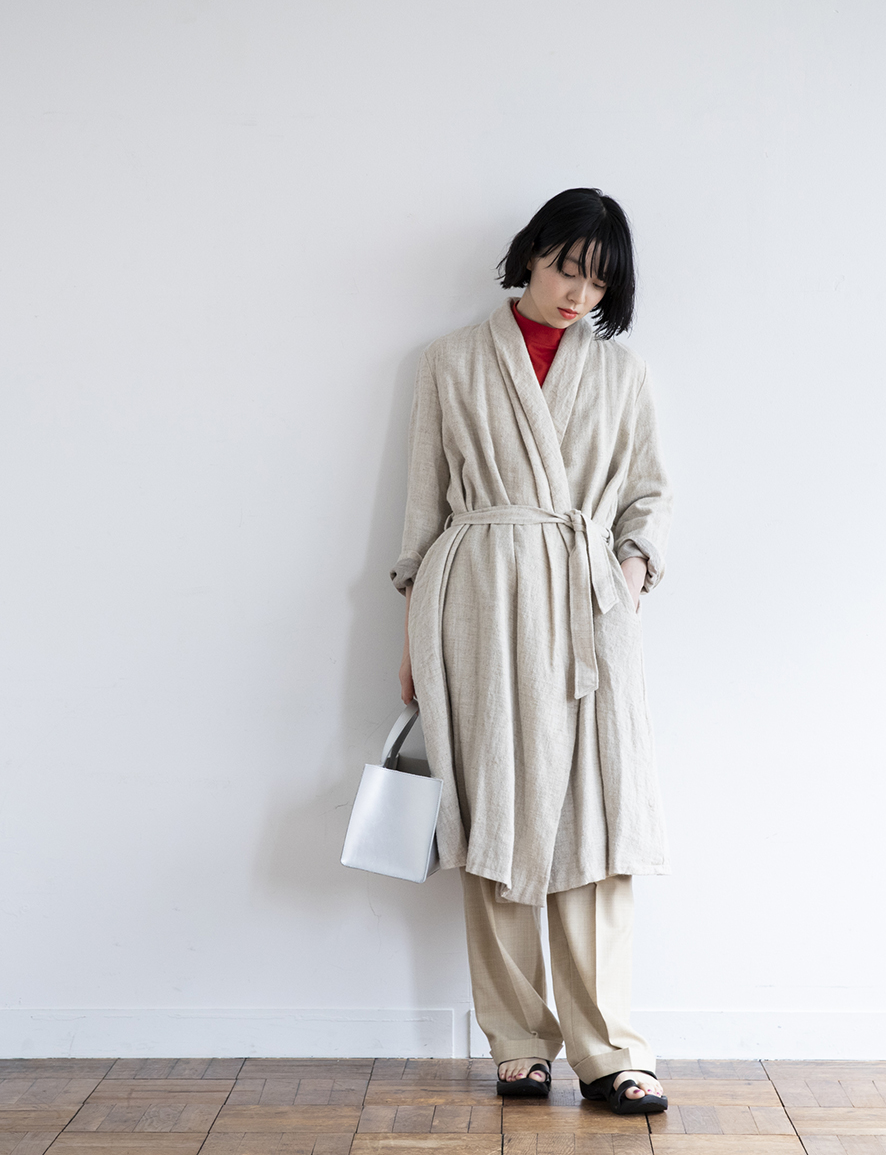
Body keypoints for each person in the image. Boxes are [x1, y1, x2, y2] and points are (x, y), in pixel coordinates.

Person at [391, 188, 671, 1115]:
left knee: (593, 822)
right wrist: (411, 639)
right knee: (497, 815)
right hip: (475, 606)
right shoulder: (451, 361)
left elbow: (648, 495)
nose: (577, 295)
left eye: (598, 283)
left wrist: (629, 572)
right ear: (531, 256)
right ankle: (517, 1039)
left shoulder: (621, 375)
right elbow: (422, 507)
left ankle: (610, 1049)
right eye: (565, 269)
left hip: (588, 608)